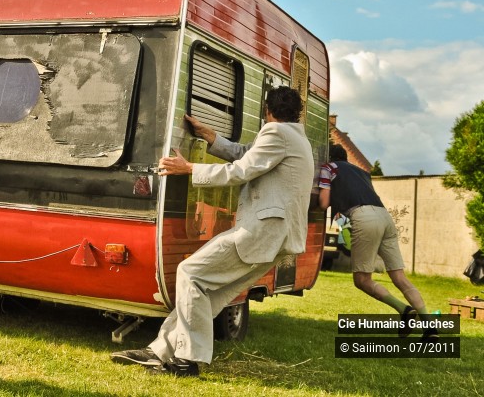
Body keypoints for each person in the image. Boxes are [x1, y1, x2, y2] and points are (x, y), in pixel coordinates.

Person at [112, 86, 314, 376]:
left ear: (267, 112)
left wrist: (189, 168)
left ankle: (187, 361)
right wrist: (211, 138)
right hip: (279, 237)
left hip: (261, 231)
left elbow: (240, 171)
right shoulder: (297, 138)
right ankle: (160, 352)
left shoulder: (276, 134)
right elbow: (248, 154)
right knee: (208, 292)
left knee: (190, 273)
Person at [318, 144, 436, 339]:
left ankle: (404, 311)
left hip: (363, 217)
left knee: (362, 280)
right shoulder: (362, 172)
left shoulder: (328, 168)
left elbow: (323, 203)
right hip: (384, 216)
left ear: (329, 158)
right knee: (399, 277)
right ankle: (430, 329)